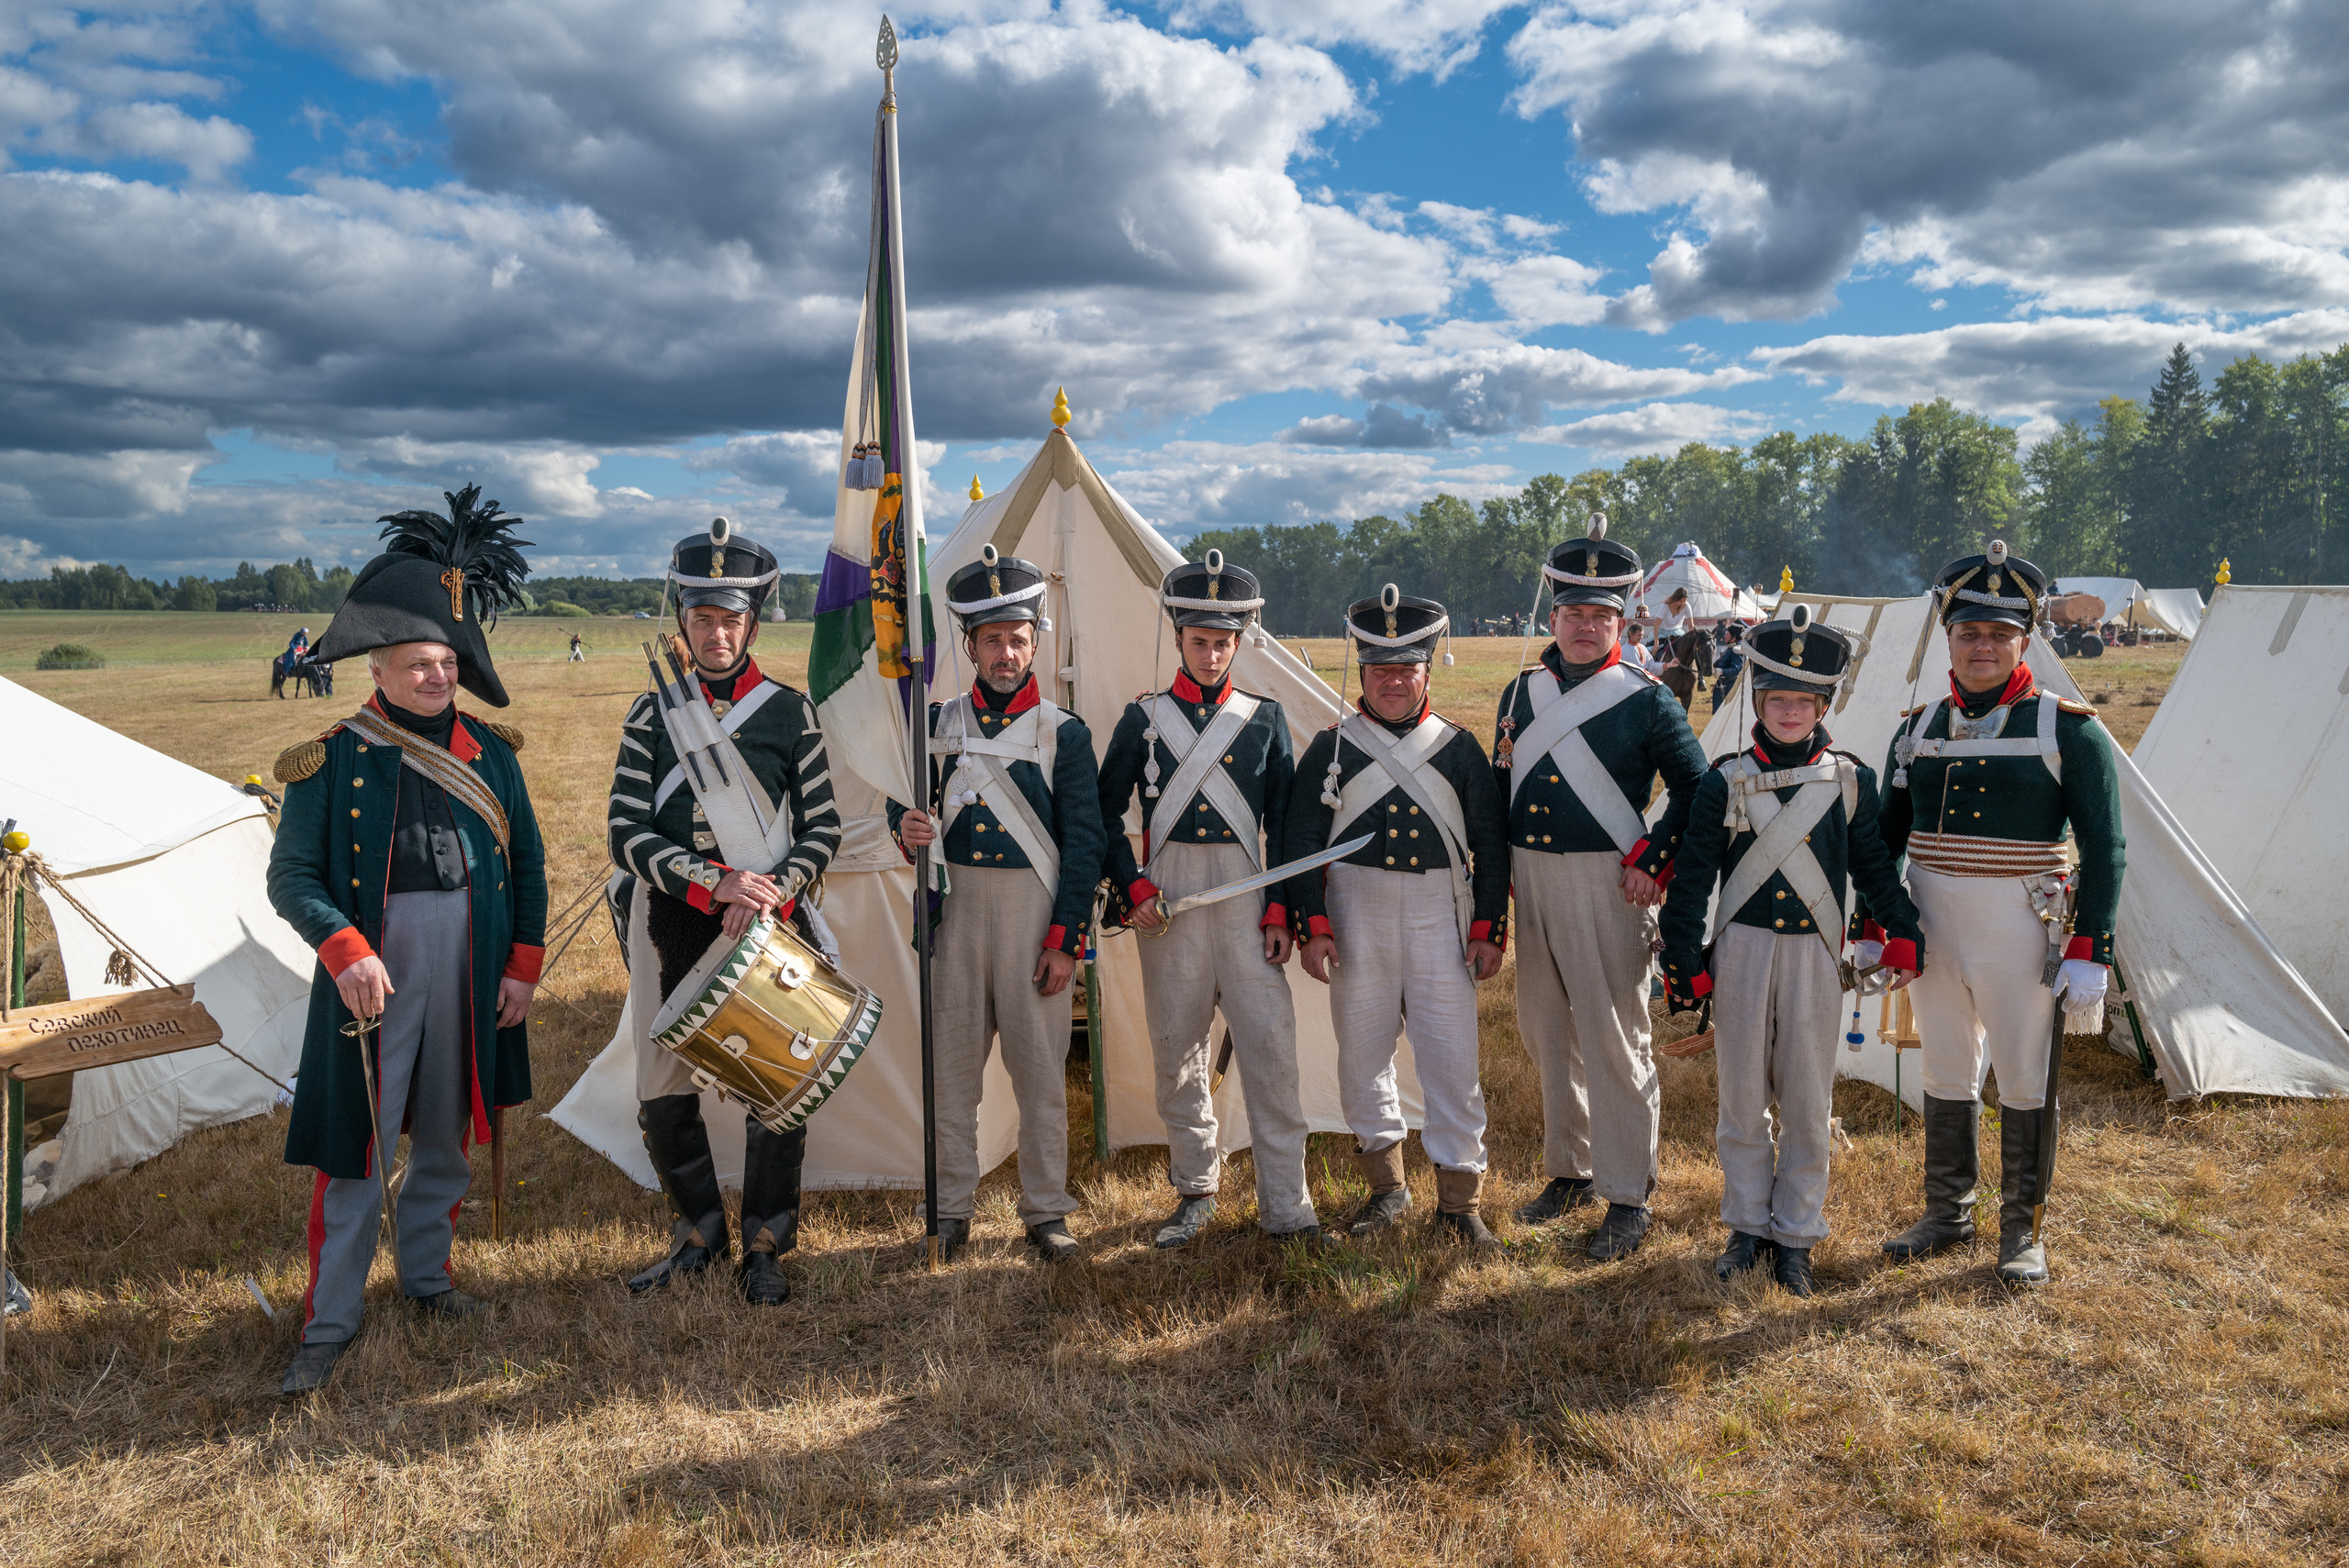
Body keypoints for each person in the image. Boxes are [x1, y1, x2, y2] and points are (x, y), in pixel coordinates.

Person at [267, 490, 547, 1396]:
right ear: (379, 671)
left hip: (470, 969)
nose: (437, 678)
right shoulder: (334, 755)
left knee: (446, 1137)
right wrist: (343, 946)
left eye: (447, 663)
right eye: (419, 664)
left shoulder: (491, 755)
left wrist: (520, 969)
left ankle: (428, 1279)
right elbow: (292, 877)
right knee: (356, 1151)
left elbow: (531, 869)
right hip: (372, 975)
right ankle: (331, 1320)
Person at [1875, 541, 2122, 1286]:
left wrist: (2092, 947)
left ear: (2026, 638)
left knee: (2022, 1077)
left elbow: (2107, 850)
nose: (1982, 647)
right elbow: (1884, 839)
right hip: (1934, 924)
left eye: (1999, 634)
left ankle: (2023, 1229)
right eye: (1968, 633)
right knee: (1947, 1066)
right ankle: (1947, 1212)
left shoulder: (2068, 728)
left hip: (2022, 926)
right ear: (1949, 636)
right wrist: (1879, 923)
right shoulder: (1916, 726)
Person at [607, 519, 841, 1306]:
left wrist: (772, 888)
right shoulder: (651, 716)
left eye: (730, 618)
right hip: (676, 917)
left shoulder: (790, 712)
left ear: (752, 621)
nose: (716, 633)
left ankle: (766, 1240)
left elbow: (824, 829)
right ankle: (700, 1230)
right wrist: (711, 883)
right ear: (684, 620)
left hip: (767, 919)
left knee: (777, 1077)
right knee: (662, 1084)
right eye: (702, 618)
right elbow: (624, 830)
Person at [1659, 607, 1923, 1296]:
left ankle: (1796, 1235)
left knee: (1808, 1101)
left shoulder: (1849, 781)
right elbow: (1692, 876)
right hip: (1741, 952)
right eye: (1778, 698)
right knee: (1741, 1098)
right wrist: (1685, 958)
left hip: (1813, 956)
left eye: (1804, 701)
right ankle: (1747, 1225)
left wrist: (1903, 928)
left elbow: (1872, 867)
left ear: (1822, 705)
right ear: (1759, 699)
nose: (1789, 712)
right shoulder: (1725, 779)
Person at [1492, 515, 1707, 1260]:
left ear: (1622, 619)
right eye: (1572, 613)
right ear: (1552, 616)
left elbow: (1699, 790)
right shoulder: (1520, 692)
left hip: (1610, 883)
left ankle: (1628, 1190)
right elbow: (1500, 788)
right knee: (1548, 1032)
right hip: (1533, 881)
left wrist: (1655, 855)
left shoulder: (1647, 698)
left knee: (1618, 1040)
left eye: (1600, 615)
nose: (1585, 627)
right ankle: (1571, 1169)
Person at [1096, 553, 1320, 1248]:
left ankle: (1288, 1203)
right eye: (1201, 641)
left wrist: (1281, 909)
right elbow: (1102, 815)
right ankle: (1196, 1189)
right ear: (1179, 638)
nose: (1213, 653)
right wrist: (1132, 887)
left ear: (1239, 641)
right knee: (1178, 1051)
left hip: (1248, 899)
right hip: (1169, 902)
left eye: (1224, 642)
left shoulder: (1264, 719)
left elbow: (1283, 827)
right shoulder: (1144, 719)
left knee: (1272, 1051)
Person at [891, 547, 1108, 1263]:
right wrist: (905, 822)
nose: (1005, 652)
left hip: (1033, 916)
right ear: (970, 644)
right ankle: (950, 1209)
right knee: (951, 1078)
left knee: (1042, 1079)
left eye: (1018, 638)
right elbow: (899, 798)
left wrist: (1064, 939)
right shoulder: (935, 723)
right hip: (955, 917)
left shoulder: (1063, 732)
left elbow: (1084, 845)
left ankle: (1046, 1210)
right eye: (991, 640)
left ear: (1035, 639)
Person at [1286, 586, 1509, 1245]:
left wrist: (1487, 927)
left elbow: (1491, 846)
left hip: (1441, 908)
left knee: (1451, 1056)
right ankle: (1386, 1187)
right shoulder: (1332, 747)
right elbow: (1299, 842)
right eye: (1379, 668)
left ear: (1426, 671)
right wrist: (1314, 924)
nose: (1392, 680)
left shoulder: (1460, 748)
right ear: (1362, 670)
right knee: (1362, 1054)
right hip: (1355, 910)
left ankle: (1460, 1198)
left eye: (1405, 667)